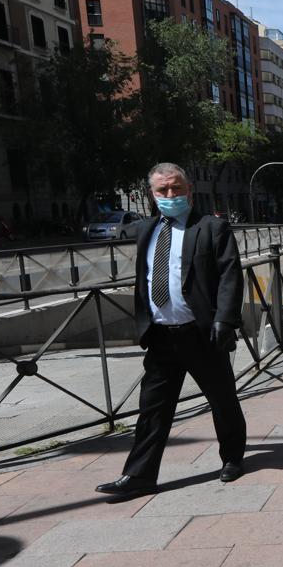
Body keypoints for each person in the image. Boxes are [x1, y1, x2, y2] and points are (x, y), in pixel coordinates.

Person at [96, 163, 247, 498]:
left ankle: (232, 457)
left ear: (189, 190)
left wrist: (225, 320)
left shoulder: (211, 228)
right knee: (152, 409)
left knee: (222, 400)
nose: (170, 195)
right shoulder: (146, 230)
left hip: (202, 334)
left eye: (176, 188)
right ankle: (139, 476)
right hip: (162, 335)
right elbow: (145, 279)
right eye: (162, 190)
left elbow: (230, 277)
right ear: (152, 194)